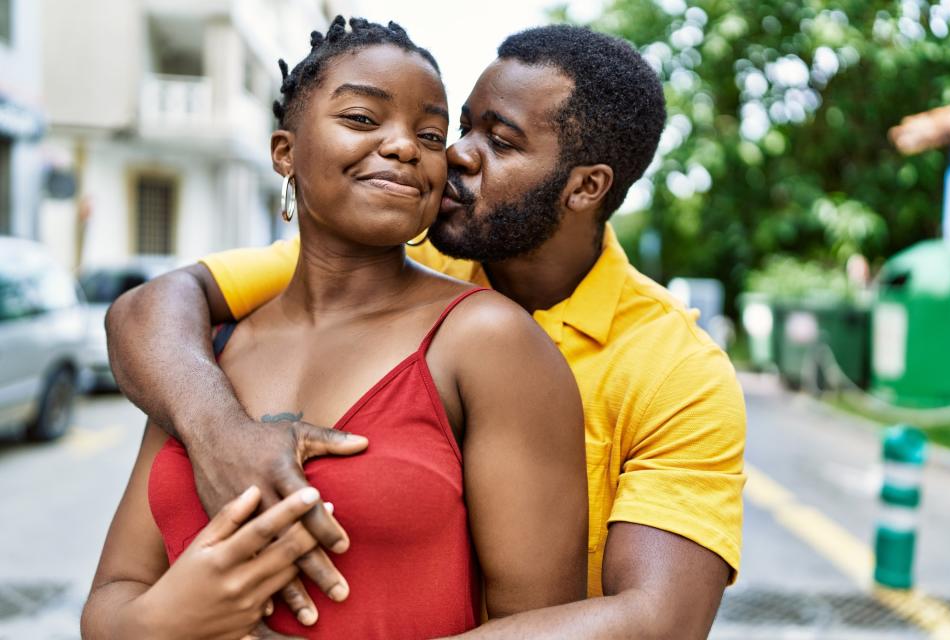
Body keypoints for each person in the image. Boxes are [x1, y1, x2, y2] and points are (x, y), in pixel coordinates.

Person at [106, 23, 746, 639]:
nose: (456, 152)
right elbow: (155, 307)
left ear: (584, 187)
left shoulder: (676, 372)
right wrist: (222, 436)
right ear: (286, 151)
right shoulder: (389, 252)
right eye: (462, 128)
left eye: (500, 140)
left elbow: (659, 622)